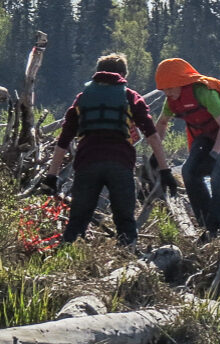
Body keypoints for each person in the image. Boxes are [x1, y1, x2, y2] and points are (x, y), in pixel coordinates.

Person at [41, 53, 174, 248]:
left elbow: (63, 140)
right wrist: (165, 170)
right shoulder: (130, 96)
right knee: (125, 221)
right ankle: (127, 255)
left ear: (98, 73)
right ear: (123, 74)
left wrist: (52, 175)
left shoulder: (82, 98)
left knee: (77, 220)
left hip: (87, 164)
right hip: (120, 164)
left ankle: (67, 254)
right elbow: (152, 136)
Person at [154, 58, 220, 242]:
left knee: (218, 170)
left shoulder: (204, 92)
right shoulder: (171, 101)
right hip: (205, 138)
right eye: (164, 89)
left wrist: (214, 154)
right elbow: (162, 123)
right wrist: (155, 153)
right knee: (188, 172)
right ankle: (206, 223)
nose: (167, 93)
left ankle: (218, 225)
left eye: (170, 88)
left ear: (181, 82)